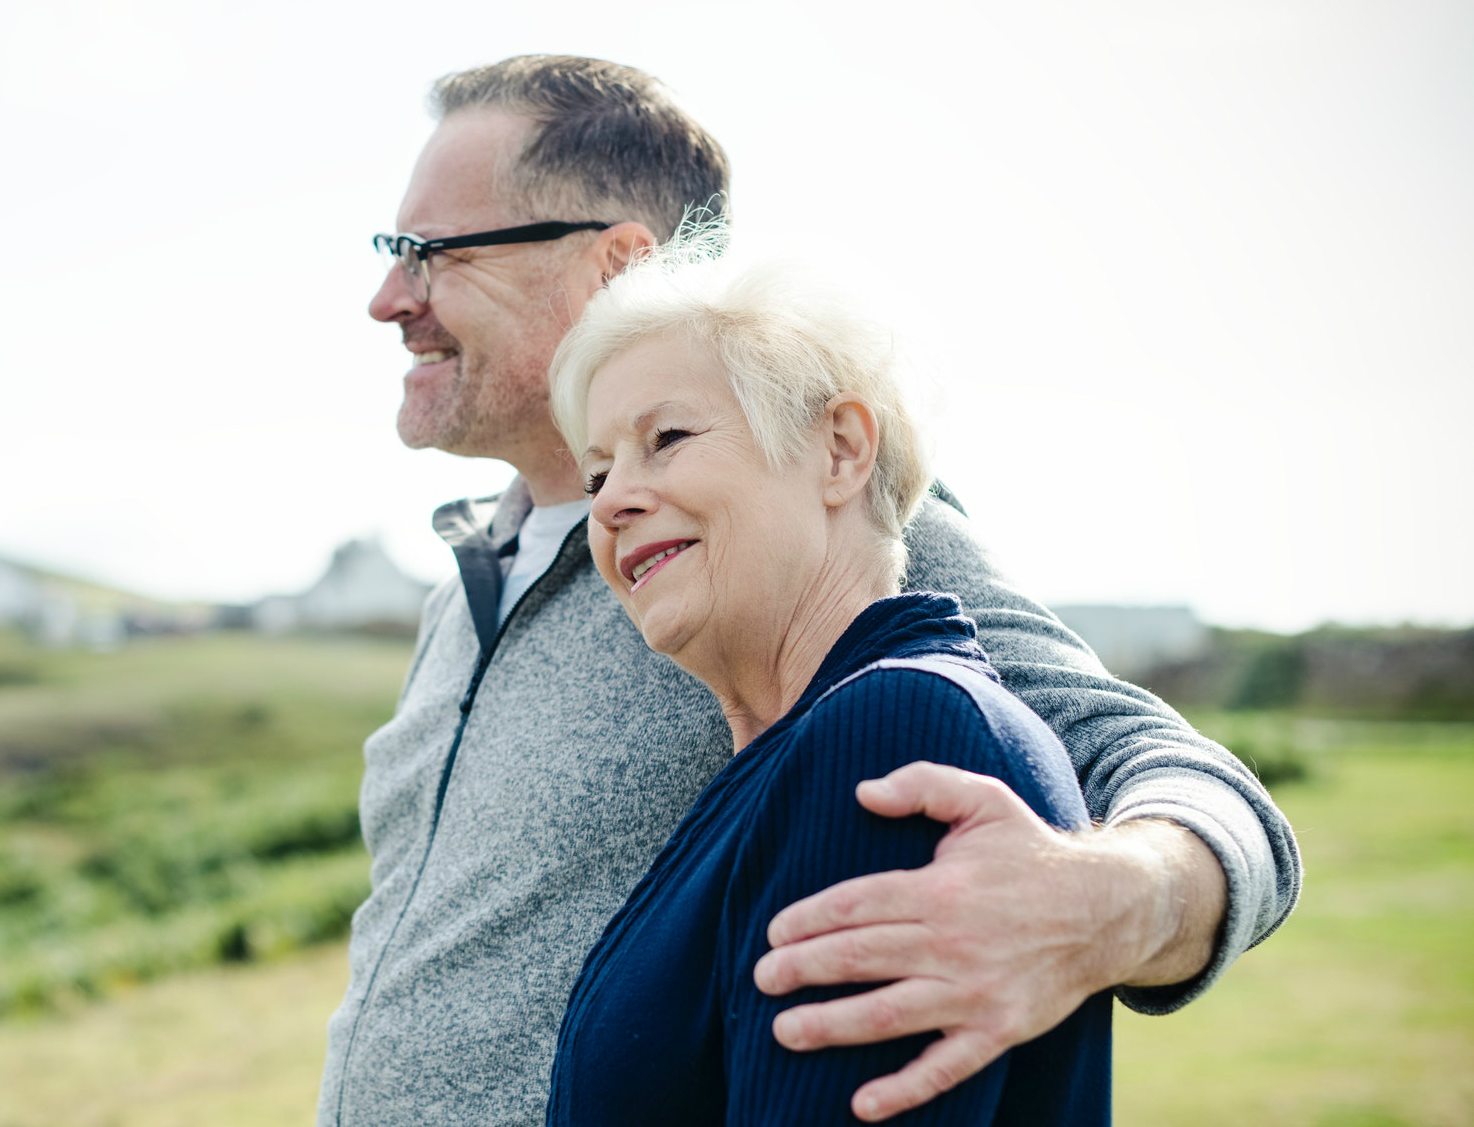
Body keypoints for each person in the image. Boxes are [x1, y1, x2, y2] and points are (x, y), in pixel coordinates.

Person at [319, 55, 1299, 1127]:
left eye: (430, 253)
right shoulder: (465, 578)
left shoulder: (800, 516)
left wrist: (1114, 901)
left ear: (614, 266)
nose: (386, 298)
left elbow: (1168, 770)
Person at [544, 245, 1109, 1125]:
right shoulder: (783, 765)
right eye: (597, 471)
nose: (613, 499)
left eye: (667, 439)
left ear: (840, 451)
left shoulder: (891, 732)